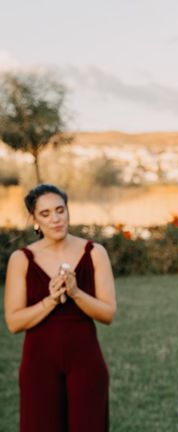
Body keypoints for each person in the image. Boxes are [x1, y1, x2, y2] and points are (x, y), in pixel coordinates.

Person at [3, 183, 117, 432]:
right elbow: (13, 323)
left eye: (60, 210)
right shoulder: (21, 259)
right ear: (34, 219)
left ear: (68, 210)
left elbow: (108, 314)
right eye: (45, 214)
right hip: (38, 366)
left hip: (86, 362)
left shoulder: (94, 252)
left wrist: (75, 293)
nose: (55, 219)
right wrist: (51, 300)